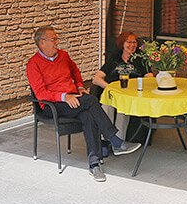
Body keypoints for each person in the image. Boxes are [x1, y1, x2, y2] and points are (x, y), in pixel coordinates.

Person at [26, 26, 141, 182]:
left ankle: (94, 164)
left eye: (56, 39)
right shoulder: (33, 64)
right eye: (53, 39)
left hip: (73, 100)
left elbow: (75, 71)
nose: (56, 42)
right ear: (42, 43)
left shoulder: (63, 56)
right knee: (91, 100)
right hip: (51, 105)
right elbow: (40, 94)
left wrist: (79, 86)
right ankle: (115, 140)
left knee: (88, 115)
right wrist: (64, 97)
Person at [90, 31, 153, 144]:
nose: (132, 45)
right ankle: (104, 142)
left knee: (122, 109)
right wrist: (110, 88)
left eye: (134, 42)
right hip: (113, 95)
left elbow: (150, 79)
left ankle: (118, 143)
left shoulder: (141, 60)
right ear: (122, 44)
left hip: (131, 96)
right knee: (106, 106)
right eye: (129, 42)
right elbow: (96, 79)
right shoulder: (114, 60)